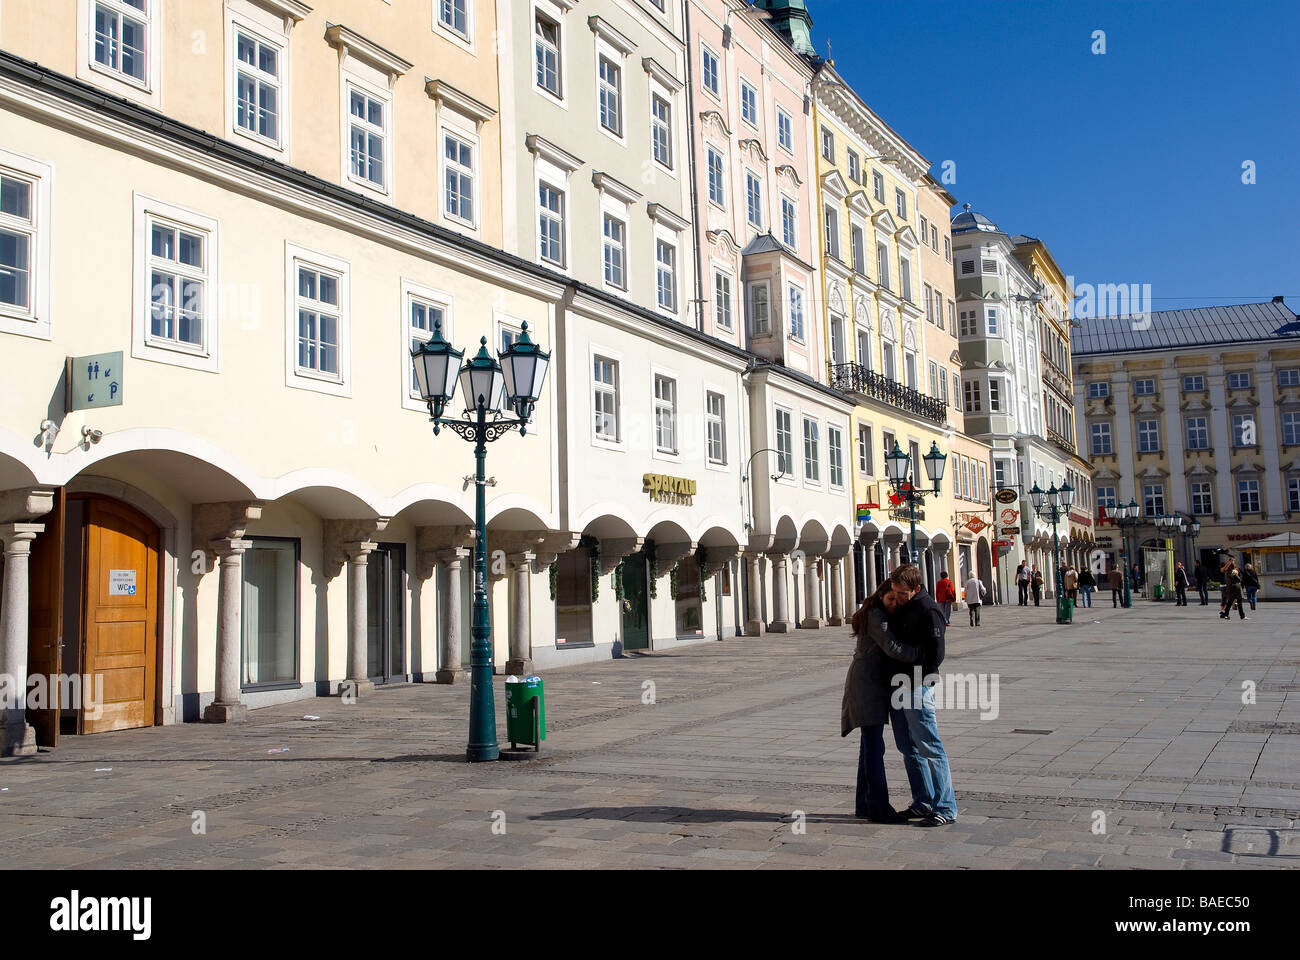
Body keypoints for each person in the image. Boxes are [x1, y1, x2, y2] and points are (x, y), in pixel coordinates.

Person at [842, 584, 924, 823]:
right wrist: (919, 654)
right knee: (875, 748)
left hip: (870, 682)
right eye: (890, 598)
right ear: (880, 596)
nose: (894, 603)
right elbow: (891, 647)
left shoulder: (876, 613)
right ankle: (878, 806)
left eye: (897, 599)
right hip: (867, 685)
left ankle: (864, 803)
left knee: (869, 746)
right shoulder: (876, 616)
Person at [886, 564, 957, 827]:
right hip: (899, 685)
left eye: (903, 593)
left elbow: (936, 653)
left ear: (916, 589)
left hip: (917, 686)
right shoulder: (904, 606)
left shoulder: (929, 610)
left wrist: (915, 677)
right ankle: (923, 800)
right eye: (895, 593)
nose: (898, 598)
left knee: (930, 746)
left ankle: (946, 807)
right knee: (907, 747)